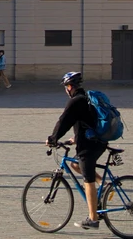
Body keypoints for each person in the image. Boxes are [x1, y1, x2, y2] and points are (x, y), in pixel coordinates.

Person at [46, 72, 107, 231]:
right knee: (75, 165)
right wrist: (74, 138)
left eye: (66, 86)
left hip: (89, 146)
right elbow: (86, 121)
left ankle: (93, 219)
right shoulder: (87, 98)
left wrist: (52, 139)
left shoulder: (75, 101)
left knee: (88, 180)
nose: (66, 90)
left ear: (70, 86)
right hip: (98, 141)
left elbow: (64, 121)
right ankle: (104, 184)